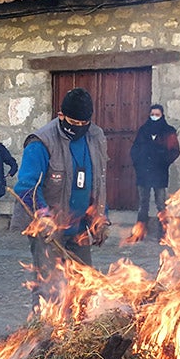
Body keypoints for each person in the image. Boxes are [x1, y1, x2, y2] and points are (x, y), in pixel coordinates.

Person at [12, 88, 108, 306]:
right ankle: (45, 335)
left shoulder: (95, 137)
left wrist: (101, 216)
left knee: (85, 284)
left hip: (79, 228)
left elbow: (100, 181)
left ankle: (79, 334)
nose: (81, 128)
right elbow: (27, 187)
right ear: (61, 115)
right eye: (75, 122)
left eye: (85, 123)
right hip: (49, 230)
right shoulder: (41, 143)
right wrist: (44, 217)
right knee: (50, 289)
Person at [129, 103, 180, 241]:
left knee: (161, 204)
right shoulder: (144, 130)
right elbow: (135, 149)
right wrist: (138, 163)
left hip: (160, 173)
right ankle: (139, 232)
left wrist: (163, 161)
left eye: (157, 114)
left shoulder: (168, 131)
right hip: (143, 173)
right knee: (143, 204)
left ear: (162, 115)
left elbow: (175, 150)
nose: (154, 117)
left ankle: (164, 234)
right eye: (153, 114)